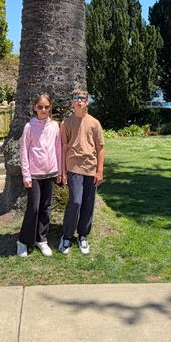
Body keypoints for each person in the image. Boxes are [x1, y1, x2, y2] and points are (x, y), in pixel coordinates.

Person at [59, 87, 104, 255]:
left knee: (88, 203)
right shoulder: (66, 123)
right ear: (72, 102)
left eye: (82, 99)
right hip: (73, 167)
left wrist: (100, 171)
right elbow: (64, 148)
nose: (79, 101)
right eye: (76, 98)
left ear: (87, 102)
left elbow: (100, 149)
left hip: (91, 168)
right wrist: (63, 172)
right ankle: (66, 236)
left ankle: (83, 236)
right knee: (76, 201)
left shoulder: (95, 123)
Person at [16, 92, 62, 258]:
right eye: (40, 106)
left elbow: (58, 149)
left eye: (46, 107)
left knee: (46, 207)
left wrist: (59, 171)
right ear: (35, 107)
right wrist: (26, 175)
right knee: (34, 208)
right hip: (34, 174)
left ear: (50, 108)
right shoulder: (29, 126)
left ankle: (41, 239)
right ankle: (23, 241)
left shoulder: (55, 126)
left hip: (50, 173)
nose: (43, 109)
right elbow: (24, 152)